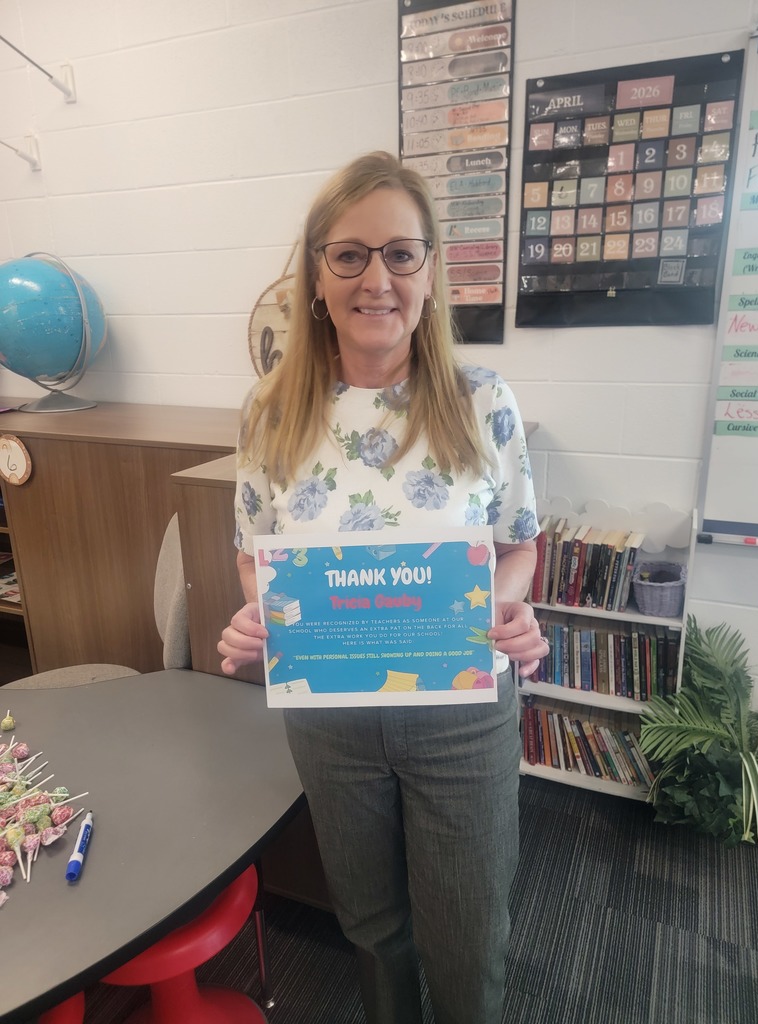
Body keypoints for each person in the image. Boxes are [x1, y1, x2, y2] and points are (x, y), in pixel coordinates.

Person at [218, 151, 548, 1024]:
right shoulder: (270, 414)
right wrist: (259, 611)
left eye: (401, 254)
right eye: (350, 254)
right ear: (317, 275)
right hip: (331, 719)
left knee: (467, 936)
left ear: (430, 272)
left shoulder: (483, 402)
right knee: (371, 927)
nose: (377, 278)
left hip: (461, 713)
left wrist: (508, 602)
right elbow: (256, 550)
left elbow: (519, 542)